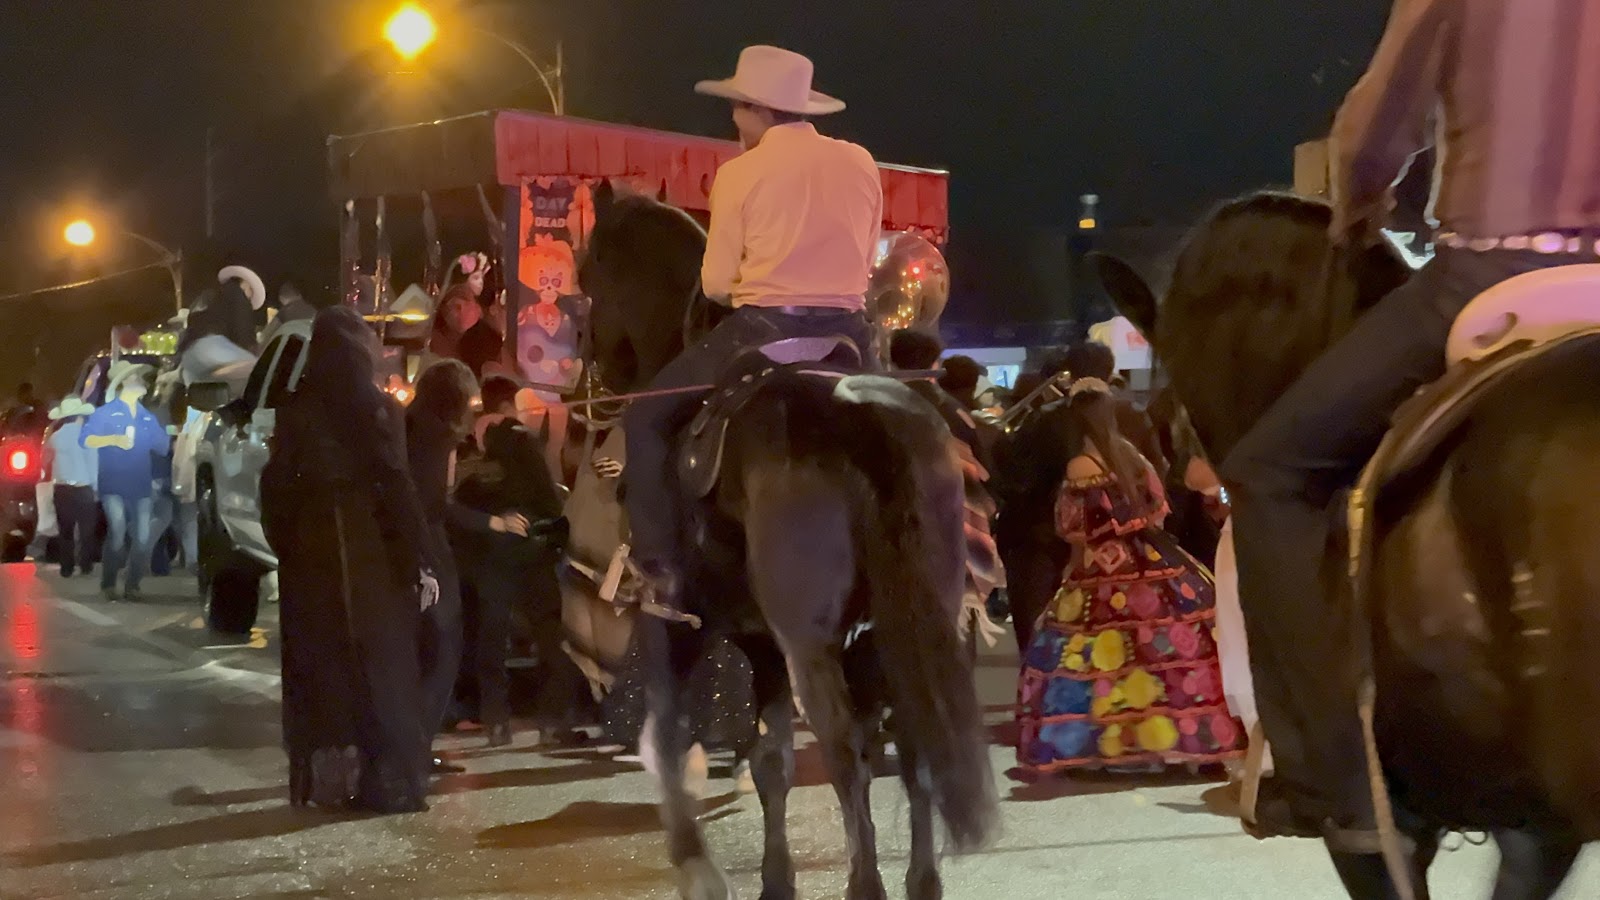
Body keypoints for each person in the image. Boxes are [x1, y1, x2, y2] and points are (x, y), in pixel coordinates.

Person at [1212, 0, 1600, 856]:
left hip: (1489, 271)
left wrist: (1361, 201)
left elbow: (1381, 121)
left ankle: (1328, 776)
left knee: (1270, 471)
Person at [621, 44, 882, 591]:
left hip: (768, 329)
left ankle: (656, 564)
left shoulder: (740, 172)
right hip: (853, 335)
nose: (734, 119)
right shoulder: (861, 161)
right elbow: (864, 261)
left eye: (737, 108)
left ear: (755, 110)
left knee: (644, 416)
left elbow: (716, 285)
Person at [1016, 378, 1244, 775]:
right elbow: (1158, 510)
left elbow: (1076, 528)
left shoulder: (1080, 466)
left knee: (1095, 655)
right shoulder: (1131, 455)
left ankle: (1108, 743)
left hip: (1100, 567)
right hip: (1150, 557)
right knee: (1161, 649)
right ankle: (1174, 739)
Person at [260, 306, 435, 813]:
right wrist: (419, 558)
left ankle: (335, 778)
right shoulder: (377, 409)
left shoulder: (295, 410)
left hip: (313, 560)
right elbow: (395, 484)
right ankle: (385, 779)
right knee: (380, 666)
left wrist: (290, 546)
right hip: (370, 554)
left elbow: (275, 489)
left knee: (325, 666)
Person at [405, 359, 528, 756]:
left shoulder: (413, 428)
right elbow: (435, 503)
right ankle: (418, 746)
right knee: (443, 645)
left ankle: (417, 744)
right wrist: (491, 522)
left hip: (420, 547)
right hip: (430, 548)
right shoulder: (436, 439)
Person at [454, 419, 568, 746]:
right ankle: (551, 720)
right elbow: (556, 517)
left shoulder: (476, 478)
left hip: (494, 567)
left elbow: (459, 522)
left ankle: (496, 720)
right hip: (534, 564)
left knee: (493, 645)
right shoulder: (535, 473)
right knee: (548, 640)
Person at [80, 362, 167, 602]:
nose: (142, 381)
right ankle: (109, 584)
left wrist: (163, 433)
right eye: (136, 377)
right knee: (117, 533)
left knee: (142, 538)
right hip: (114, 484)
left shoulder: (147, 416)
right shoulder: (105, 413)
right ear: (123, 383)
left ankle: (132, 584)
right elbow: (86, 439)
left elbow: (162, 447)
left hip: (141, 485)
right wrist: (112, 439)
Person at [1063, 341, 1164, 476]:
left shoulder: (1055, 418)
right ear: (1110, 374)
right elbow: (1157, 465)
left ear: (1070, 377)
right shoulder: (1132, 413)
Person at [43, 398, 98, 578]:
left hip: (62, 488)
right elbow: (93, 463)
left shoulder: (55, 437)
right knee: (86, 530)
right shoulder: (87, 436)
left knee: (65, 530)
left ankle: (66, 567)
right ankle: (85, 564)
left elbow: (45, 461)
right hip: (83, 488)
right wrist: (96, 487)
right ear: (79, 416)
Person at [430, 257, 488, 362]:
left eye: (482, 278)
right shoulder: (456, 302)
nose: (481, 282)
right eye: (475, 278)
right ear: (463, 279)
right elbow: (462, 326)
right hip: (450, 351)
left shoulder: (471, 301)